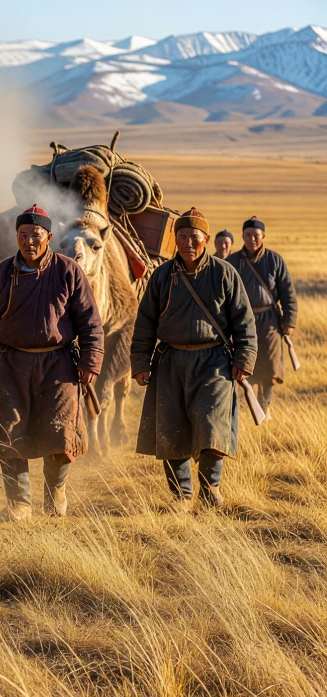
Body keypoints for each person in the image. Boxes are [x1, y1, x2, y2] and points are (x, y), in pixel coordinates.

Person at [0, 205, 104, 521]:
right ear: (16, 237)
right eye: (23, 235)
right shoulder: (2, 274)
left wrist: (91, 361)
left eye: (36, 235)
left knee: (61, 432)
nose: (29, 241)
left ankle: (55, 493)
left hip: (58, 366)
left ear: (48, 236)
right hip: (11, 365)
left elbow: (90, 321)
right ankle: (18, 504)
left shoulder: (68, 271)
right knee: (8, 432)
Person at [131, 209, 256, 511]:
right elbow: (145, 322)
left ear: (206, 239)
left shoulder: (224, 273)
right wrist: (140, 362)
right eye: (182, 237)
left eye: (194, 237)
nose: (188, 242)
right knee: (171, 427)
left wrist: (244, 358)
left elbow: (243, 320)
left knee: (212, 424)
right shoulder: (162, 276)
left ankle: (210, 488)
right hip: (170, 361)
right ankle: (181, 496)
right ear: (175, 239)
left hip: (214, 362)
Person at [226, 216, 296, 410]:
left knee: (270, 364)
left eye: (256, 235)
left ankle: (265, 405)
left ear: (263, 236)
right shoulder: (232, 261)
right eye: (248, 235)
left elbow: (287, 291)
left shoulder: (275, 260)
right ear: (242, 236)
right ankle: (248, 404)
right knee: (245, 361)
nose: (252, 239)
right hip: (241, 320)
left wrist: (289, 320)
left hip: (270, 320)